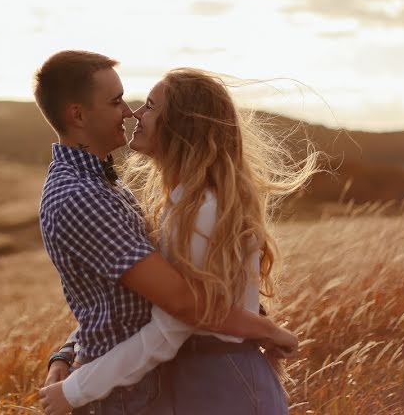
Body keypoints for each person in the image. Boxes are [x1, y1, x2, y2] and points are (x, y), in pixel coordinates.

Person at [40, 67, 319, 414]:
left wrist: (77, 389)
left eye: (151, 106)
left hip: (222, 381)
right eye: (119, 101)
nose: (135, 113)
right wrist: (69, 352)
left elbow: (178, 319)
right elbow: (119, 301)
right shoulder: (182, 205)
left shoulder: (204, 209)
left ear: (181, 126)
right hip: (198, 379)